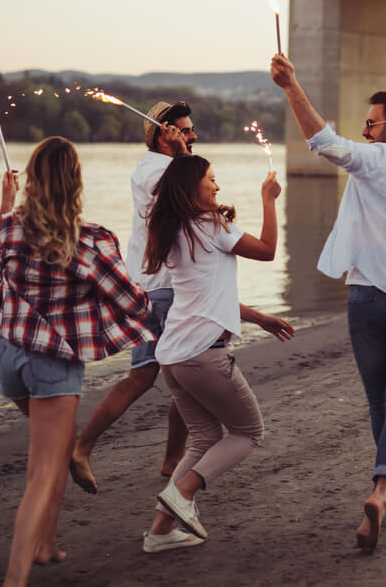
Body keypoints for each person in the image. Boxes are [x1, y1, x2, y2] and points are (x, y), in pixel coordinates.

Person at [270, 54, 386, 552]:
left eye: (370, 124)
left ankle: (383, 490)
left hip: (370, 298)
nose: (366, 132)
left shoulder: (377, 160)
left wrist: (292, 86)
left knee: (382, 403)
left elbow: (323, 143)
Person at [0, 137, 154, 586]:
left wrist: (4, 204)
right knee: (43, 470)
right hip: (52, 363)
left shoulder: (10, 230)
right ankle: (15, 578)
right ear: (75, 181)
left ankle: (47, 544)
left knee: (52, 453)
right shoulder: (89, 241)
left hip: (10, 359)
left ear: (32, 180)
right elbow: (132, 301)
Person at [139, 155, 293, 553]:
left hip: (173, 356)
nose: (217, 186)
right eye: (211, 179)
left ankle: (160, 530)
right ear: (193, 187)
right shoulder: (209, 225)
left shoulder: (175, 229)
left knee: (205, 437)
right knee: (249, 433)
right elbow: (267, 250)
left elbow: (208, 295)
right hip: (202, 355)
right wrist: (269, 199)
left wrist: (257, 317)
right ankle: (184, 491)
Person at [69, 100, 197, 494]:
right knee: (152, 375)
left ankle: (172, 457)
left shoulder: (169, 166)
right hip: (161, 287)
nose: (192, 135)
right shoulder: (154, 170)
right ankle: (83, 447)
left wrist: (183, 156)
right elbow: (194, 197)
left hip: (164, 286)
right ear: (165, 133)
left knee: (177, 375)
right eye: (185, 130)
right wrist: (181, 156)